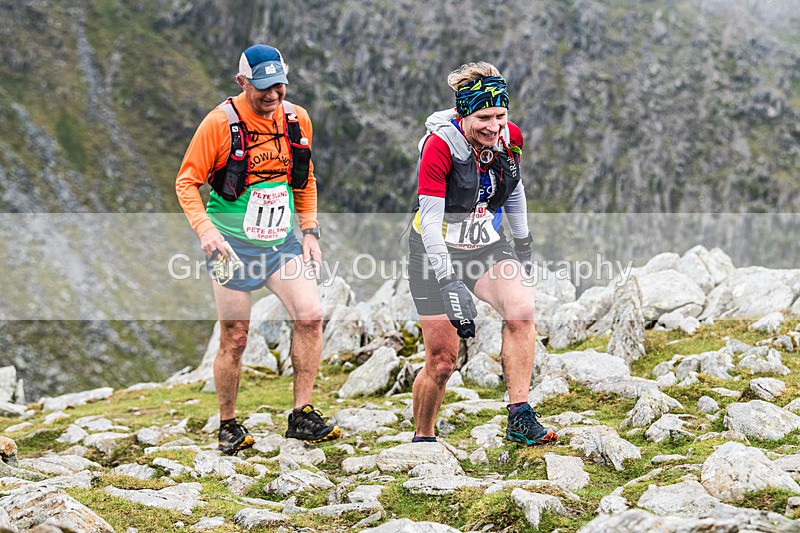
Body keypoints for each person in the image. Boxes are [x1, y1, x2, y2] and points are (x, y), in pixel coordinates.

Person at [176, 44, 340, 455]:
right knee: (235, 336)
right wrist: (206, 232)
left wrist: (310, 231)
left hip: (281, 242)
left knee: (310, 315)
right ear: (242, 82)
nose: (273, 94)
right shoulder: (219, 123)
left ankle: (302, 415)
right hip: (230, 246)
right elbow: (187, 182)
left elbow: (305, 179)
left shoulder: (296, 119)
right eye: (263, 87)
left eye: (279, 85)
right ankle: (228, 425)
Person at [407, 61, 558, 446]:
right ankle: (423, 437)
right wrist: (449, 282)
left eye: (500, 116)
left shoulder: (509, 138)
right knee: (443, 362)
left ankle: (519, 416)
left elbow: (515, 189)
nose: (494, 127)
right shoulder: (439, 147)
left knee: (521, 310)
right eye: (484, 118)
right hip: (434, 252)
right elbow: (430, 221)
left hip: (485, 245)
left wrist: (523, 245)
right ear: (464, 115)